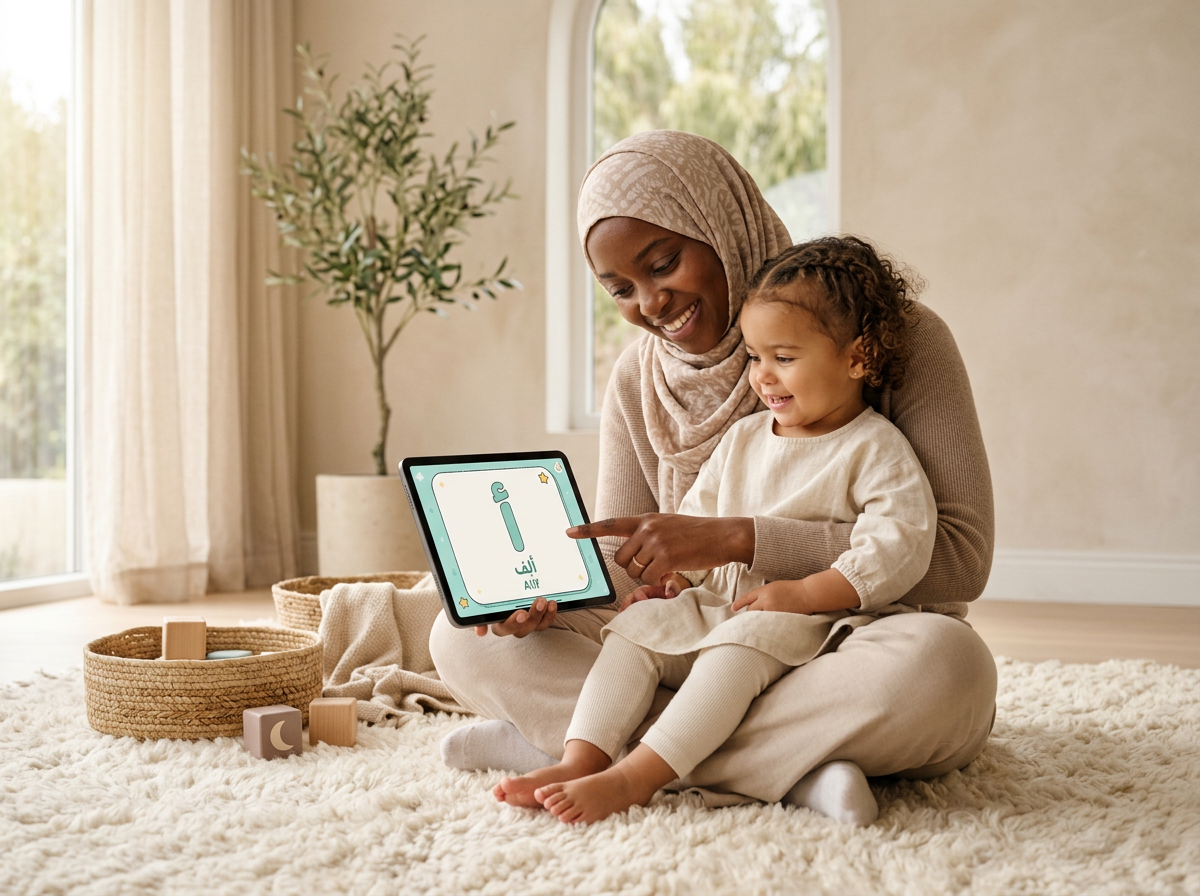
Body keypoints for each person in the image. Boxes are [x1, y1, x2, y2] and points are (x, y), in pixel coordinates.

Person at [430, 130, 997, 826]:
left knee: (947, 668)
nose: (651, 303)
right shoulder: (640, 377)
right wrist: (548, 590)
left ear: (720, 225)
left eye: (663, 262)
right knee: (459, 636)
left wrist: (740, 540)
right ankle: (794, 772)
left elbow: (961, 560)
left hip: (848, 639)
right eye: (620, 289)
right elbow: (638, 567)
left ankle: (579, 745)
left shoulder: (888, 336)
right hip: (702, 630)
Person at [494, 236, 939, 824]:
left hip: (809, 627)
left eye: (784, 358)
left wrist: (806, 593)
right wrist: (676, 580)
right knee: (637, 628)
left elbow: (900, 544)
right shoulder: (745, 439)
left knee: (743, 651)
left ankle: (634, 778)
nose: (764, 377)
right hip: (722, 610)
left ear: (857, 359)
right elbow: (695, 525)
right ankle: (581, 757)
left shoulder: (875, 446)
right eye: (755, 358)